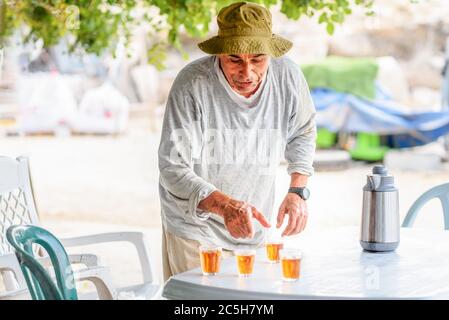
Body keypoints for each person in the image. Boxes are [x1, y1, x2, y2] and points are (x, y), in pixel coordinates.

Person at [158, 1, 316, 281]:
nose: (247, 73)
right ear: (219, 53)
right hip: (196, 229)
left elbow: (302, 131)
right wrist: (226, 206)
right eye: (235, 59)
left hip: (255, 227)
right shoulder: (192, 84)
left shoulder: (288, 76)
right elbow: (173, 168)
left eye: (257, 59)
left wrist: (297, 191)